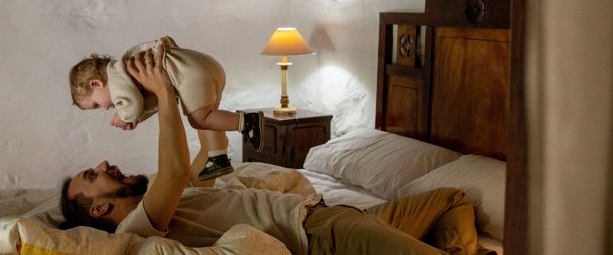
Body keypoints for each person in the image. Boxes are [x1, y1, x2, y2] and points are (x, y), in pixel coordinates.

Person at [60, 48, 492, 255]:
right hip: (322, 236)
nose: (102, 164)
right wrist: (163, 97)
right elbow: (172, 172)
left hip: (334, 211)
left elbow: (215, 157)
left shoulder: (174, 195)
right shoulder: (137, 225)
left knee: (453, 197)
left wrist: (191, 103)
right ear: (98, 210)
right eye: (93, 176)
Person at [69, 36, 264, 181]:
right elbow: (156, 102)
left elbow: (133, 105)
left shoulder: (116, 78)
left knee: (199, 119)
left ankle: (248, 122)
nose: (103, 109)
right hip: (204, 68)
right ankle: (218, 157)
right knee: (210, 118)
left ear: (96, 83)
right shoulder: (128, 75)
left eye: (96, 105)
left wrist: (124, 117)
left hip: (192, 74)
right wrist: (137, 118)